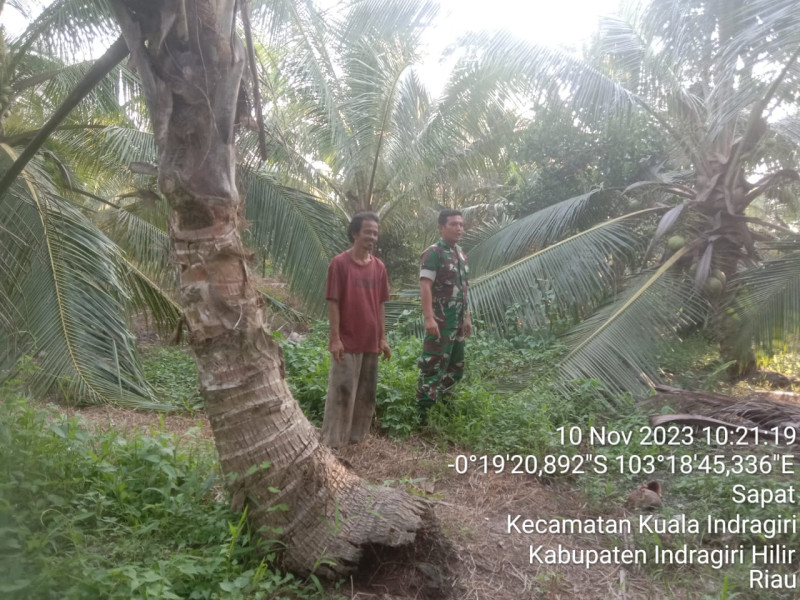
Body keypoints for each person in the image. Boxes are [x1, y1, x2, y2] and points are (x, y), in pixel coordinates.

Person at [321, 212, 392, 448]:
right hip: (347, 341)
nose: (372, 237)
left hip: (370, 341)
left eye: (375, 233)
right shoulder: (339, 263)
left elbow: (381, 303)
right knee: (341, 393)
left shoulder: (379, 267)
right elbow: (333, 303)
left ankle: (355, 440)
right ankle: (333, 442)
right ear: (355, 233)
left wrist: (382, 338)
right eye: (367, 232)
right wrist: (335, 339)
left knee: (365, 394)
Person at [417, 209, 472, 421]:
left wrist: (466, 317)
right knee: (433, 366)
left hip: (457, 322)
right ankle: (424, 416)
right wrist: (429, 318)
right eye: (454, 224)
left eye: (461, 224)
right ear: (441, 228)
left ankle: (444, 409)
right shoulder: (433, 253)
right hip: (440, 321)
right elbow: (425, 286)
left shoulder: (461, 254)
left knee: (455, 367)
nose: (459, 228)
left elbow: (463, 288)